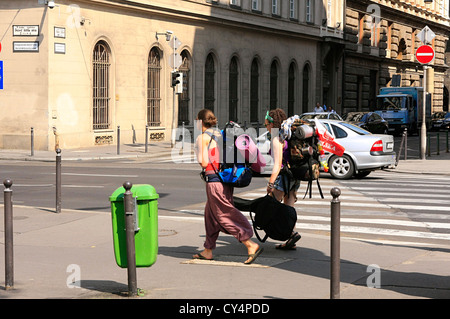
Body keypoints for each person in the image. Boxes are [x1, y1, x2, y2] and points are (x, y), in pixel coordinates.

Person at [193, 108, 263, 264]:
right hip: (225, 179)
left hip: (214, 181)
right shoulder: (219, 134)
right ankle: (208, 250)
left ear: (200, 121)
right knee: (210, 216)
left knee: (223, 215)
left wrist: (197, 150)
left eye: (196, 119)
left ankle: (249, 243)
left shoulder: (203, 137)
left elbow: (204, 163)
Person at [264, 109, 302, 250]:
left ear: (272, 124)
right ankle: (292, 237)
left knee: (272, 206)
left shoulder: (277, 138)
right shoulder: (287, 134)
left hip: (283, 177)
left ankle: (290, 233)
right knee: (288, 208)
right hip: (294, 175)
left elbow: (277, 165)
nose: (265, 126)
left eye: (266, 123)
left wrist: (271, 183)